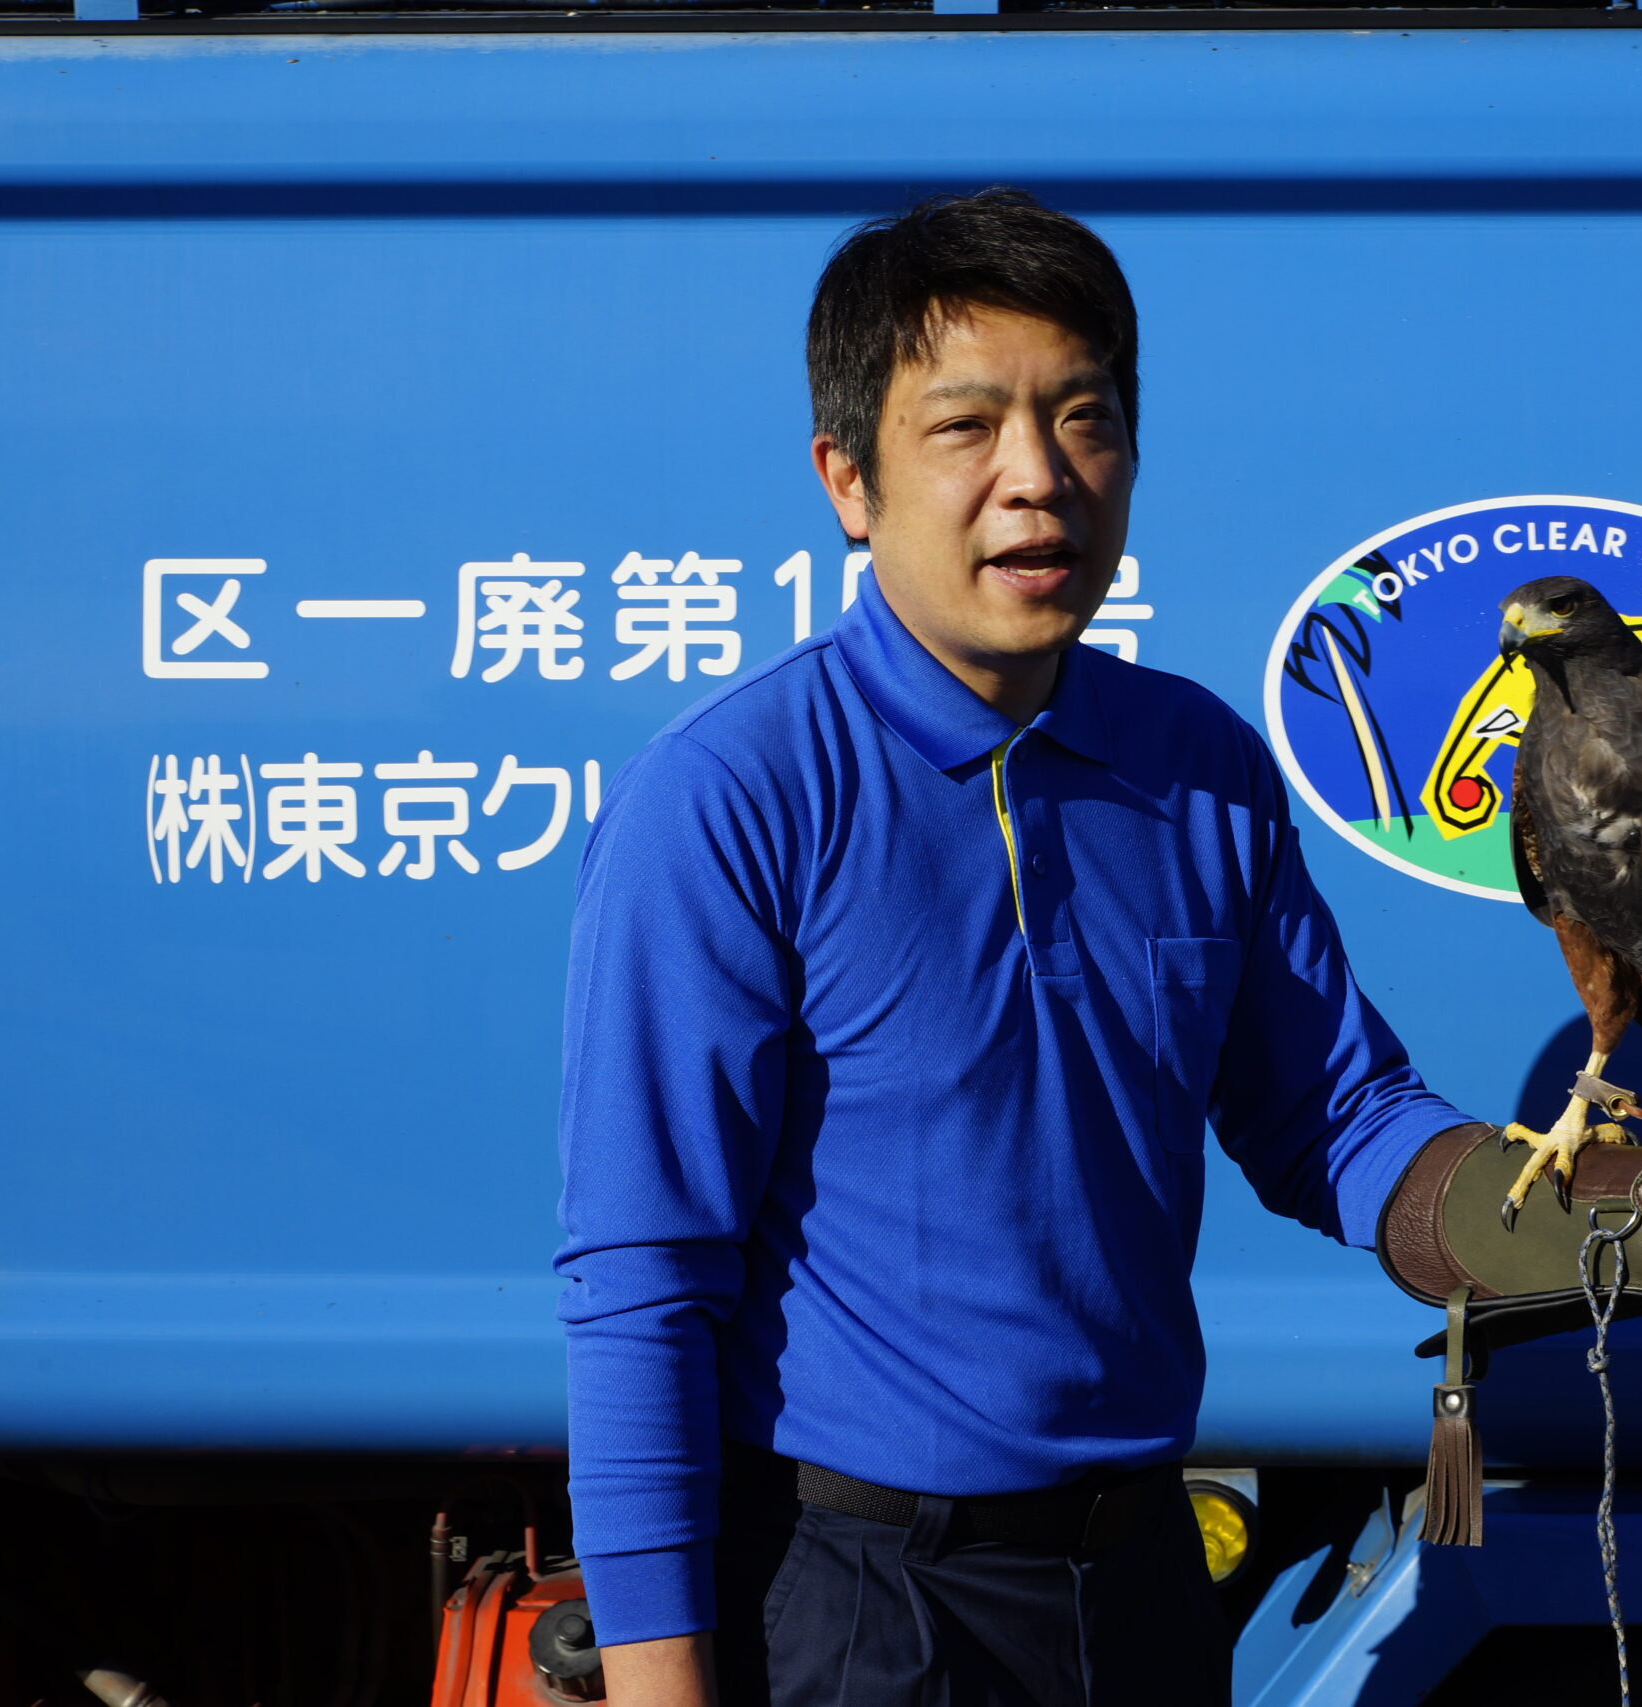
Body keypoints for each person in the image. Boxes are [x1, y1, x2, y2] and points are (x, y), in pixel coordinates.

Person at [556, 188, 1482, 1707]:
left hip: (1141, 1592)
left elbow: (1334, 1115)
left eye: (1084, 420)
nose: (1037, 480)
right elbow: (643, 1286)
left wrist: (1531, 1219)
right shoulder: (732, 796)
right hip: (858, 1606)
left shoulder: (1199, 771)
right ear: (846, 480)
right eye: (966, 428)